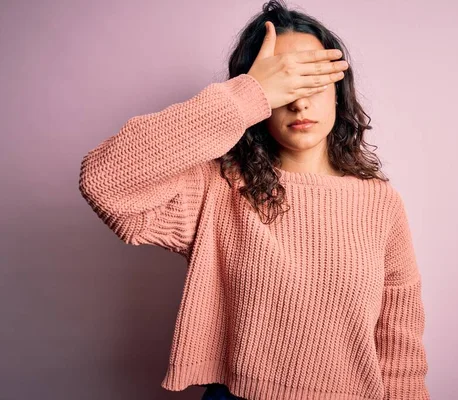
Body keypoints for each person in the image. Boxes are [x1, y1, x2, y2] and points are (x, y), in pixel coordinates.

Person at [78, 0, 430, 399]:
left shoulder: (380, 204)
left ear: (338, 91)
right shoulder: (220, 188)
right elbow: (104, 180)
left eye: (310, 80)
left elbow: (400, 346)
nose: (299, 102)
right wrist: (247, 95)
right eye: (283, 84)